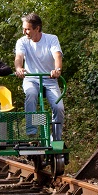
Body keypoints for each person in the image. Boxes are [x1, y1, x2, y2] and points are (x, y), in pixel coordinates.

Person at [14, 13, 64, 141]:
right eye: (23, 28)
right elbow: (19, 57)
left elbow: (57, 55)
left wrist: (57, 70)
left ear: (37, 28)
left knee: (58, 107)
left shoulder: (51, 39)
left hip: (50, 79)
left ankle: (56, 138)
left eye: (28, 29)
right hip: (31, 78)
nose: (24, 32)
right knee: (31, 94)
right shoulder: (22, 41)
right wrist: (19, 68)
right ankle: (32, 131)